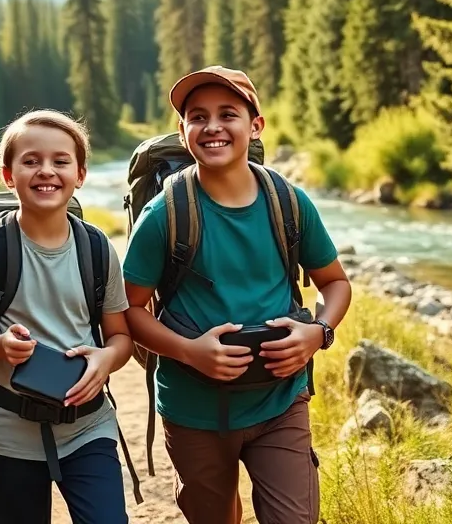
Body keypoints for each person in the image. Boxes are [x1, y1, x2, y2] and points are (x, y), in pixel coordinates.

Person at [122, 66, 352, 524]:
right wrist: (189, 352)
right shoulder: (164, 213)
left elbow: (336, 283)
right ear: (183, 131)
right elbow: (128, 310)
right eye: (197, 116)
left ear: (255, 125)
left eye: (228, 114)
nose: (212, 127)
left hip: (280, 401)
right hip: (193, 410)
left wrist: (319, 333)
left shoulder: (289, 202)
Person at [0, 110, 134, 524]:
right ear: (8, 175)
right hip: (7, 432)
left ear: (80, 174)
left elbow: (121, 338)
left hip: (89, 426)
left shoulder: (98, 249)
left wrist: (104, 359)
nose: (46, 171)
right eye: (31, 161)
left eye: (60, 161)